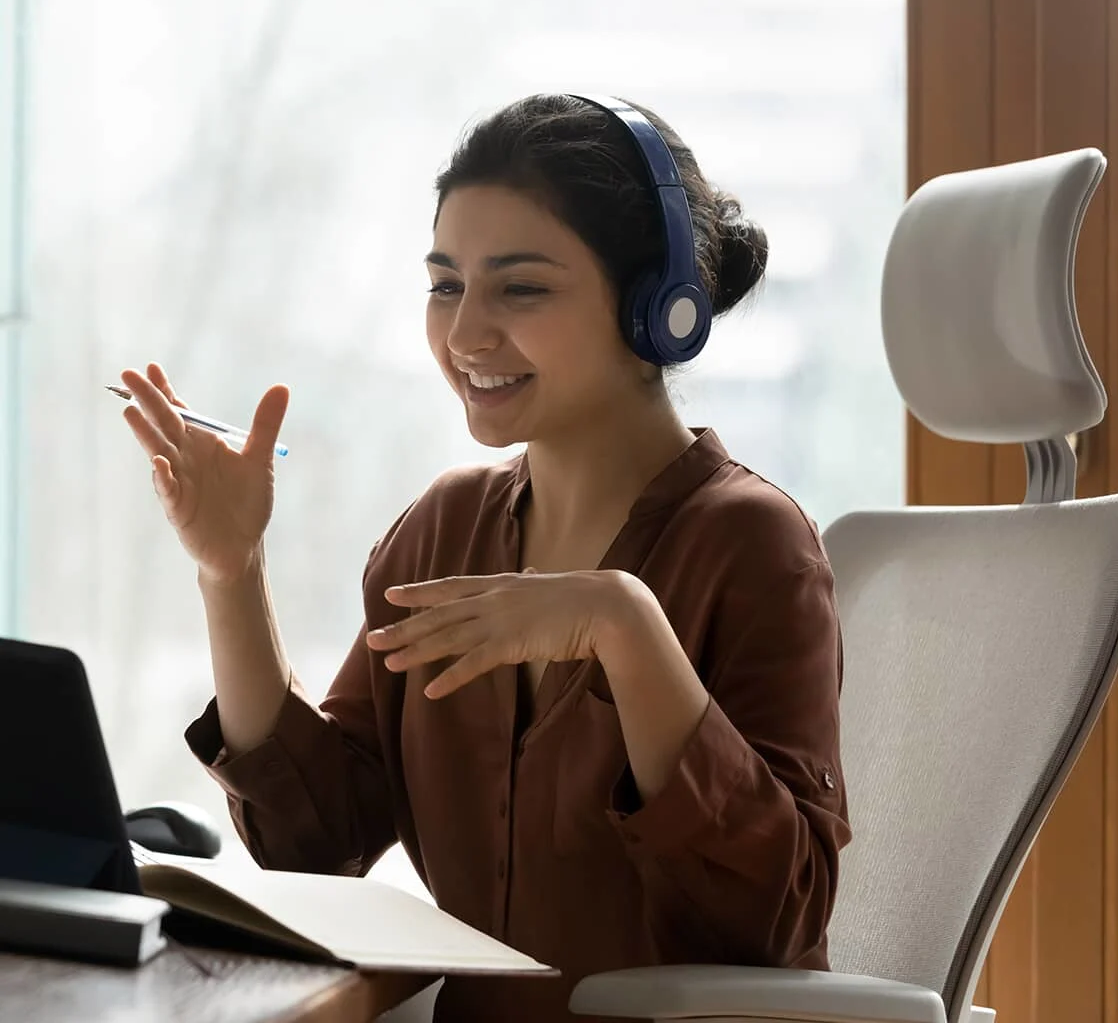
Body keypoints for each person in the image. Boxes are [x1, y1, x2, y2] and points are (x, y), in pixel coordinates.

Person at [118, 93, 850, 1023]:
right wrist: (232, 571)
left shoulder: (751, 543)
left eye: (521, 288)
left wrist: (626, 628)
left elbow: (777, 920)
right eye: (445, 284)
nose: (466, 335)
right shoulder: (446, 524)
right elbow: (317, 836)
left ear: (657, 312)